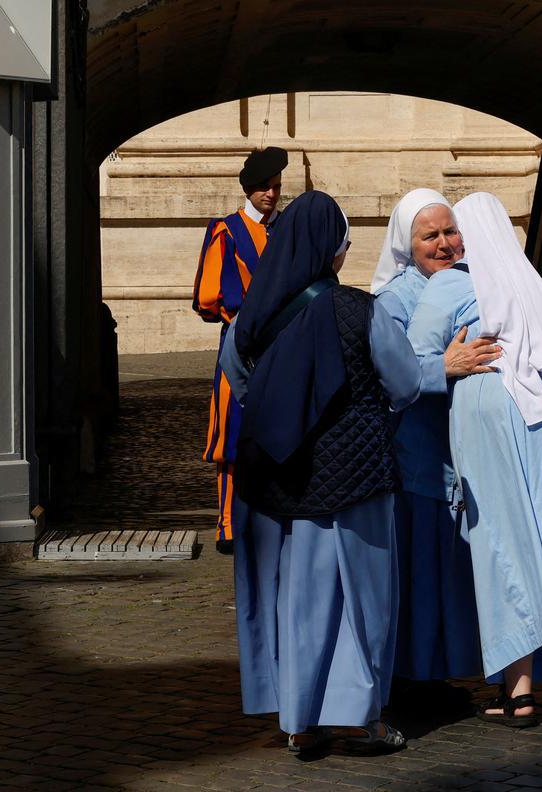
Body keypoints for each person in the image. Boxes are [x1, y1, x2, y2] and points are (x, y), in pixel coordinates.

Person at [218, 190, 420, 757]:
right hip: (355, 476)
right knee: (362, 597)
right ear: (332, 249)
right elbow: (403, 384)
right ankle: (358, 718)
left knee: (296, 599)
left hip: (278, 479)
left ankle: (299, 721)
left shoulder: (250, 318)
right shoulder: (360, 308)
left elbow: (241, 386)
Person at [407, 192, 542, 728]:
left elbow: (408, 360)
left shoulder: (453, 283)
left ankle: (519, 693)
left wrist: (446, 364)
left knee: (503, 541)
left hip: (497, 411)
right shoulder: (540, 287)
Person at [372, 190, 498, 707]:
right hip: (418, 453)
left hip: (466, 453)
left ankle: (444, 670)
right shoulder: (392, 300)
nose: (444, 244)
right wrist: (441, 367)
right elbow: (383, 377)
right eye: (430, 236)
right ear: (408, 243)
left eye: (450, 232)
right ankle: (414, 677)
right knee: (421, 566)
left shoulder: (477, 281)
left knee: (452, 567)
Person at [192, 146, 287, 554]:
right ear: (249, 189)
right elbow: (208, 296)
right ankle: (228, 521)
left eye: (276, 187)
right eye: (264, 187)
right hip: (242, 342)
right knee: (232, 433)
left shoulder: (286, 230)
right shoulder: (226, 231)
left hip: (282, 344)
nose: (271, 194)